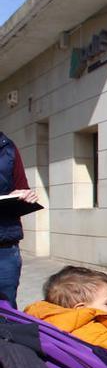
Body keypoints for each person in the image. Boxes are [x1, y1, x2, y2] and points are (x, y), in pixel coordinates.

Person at [0, 132, 38, 309]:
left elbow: (21, 186)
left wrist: (22, 194)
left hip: (5, 246)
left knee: (7, 311)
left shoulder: (7, 147)